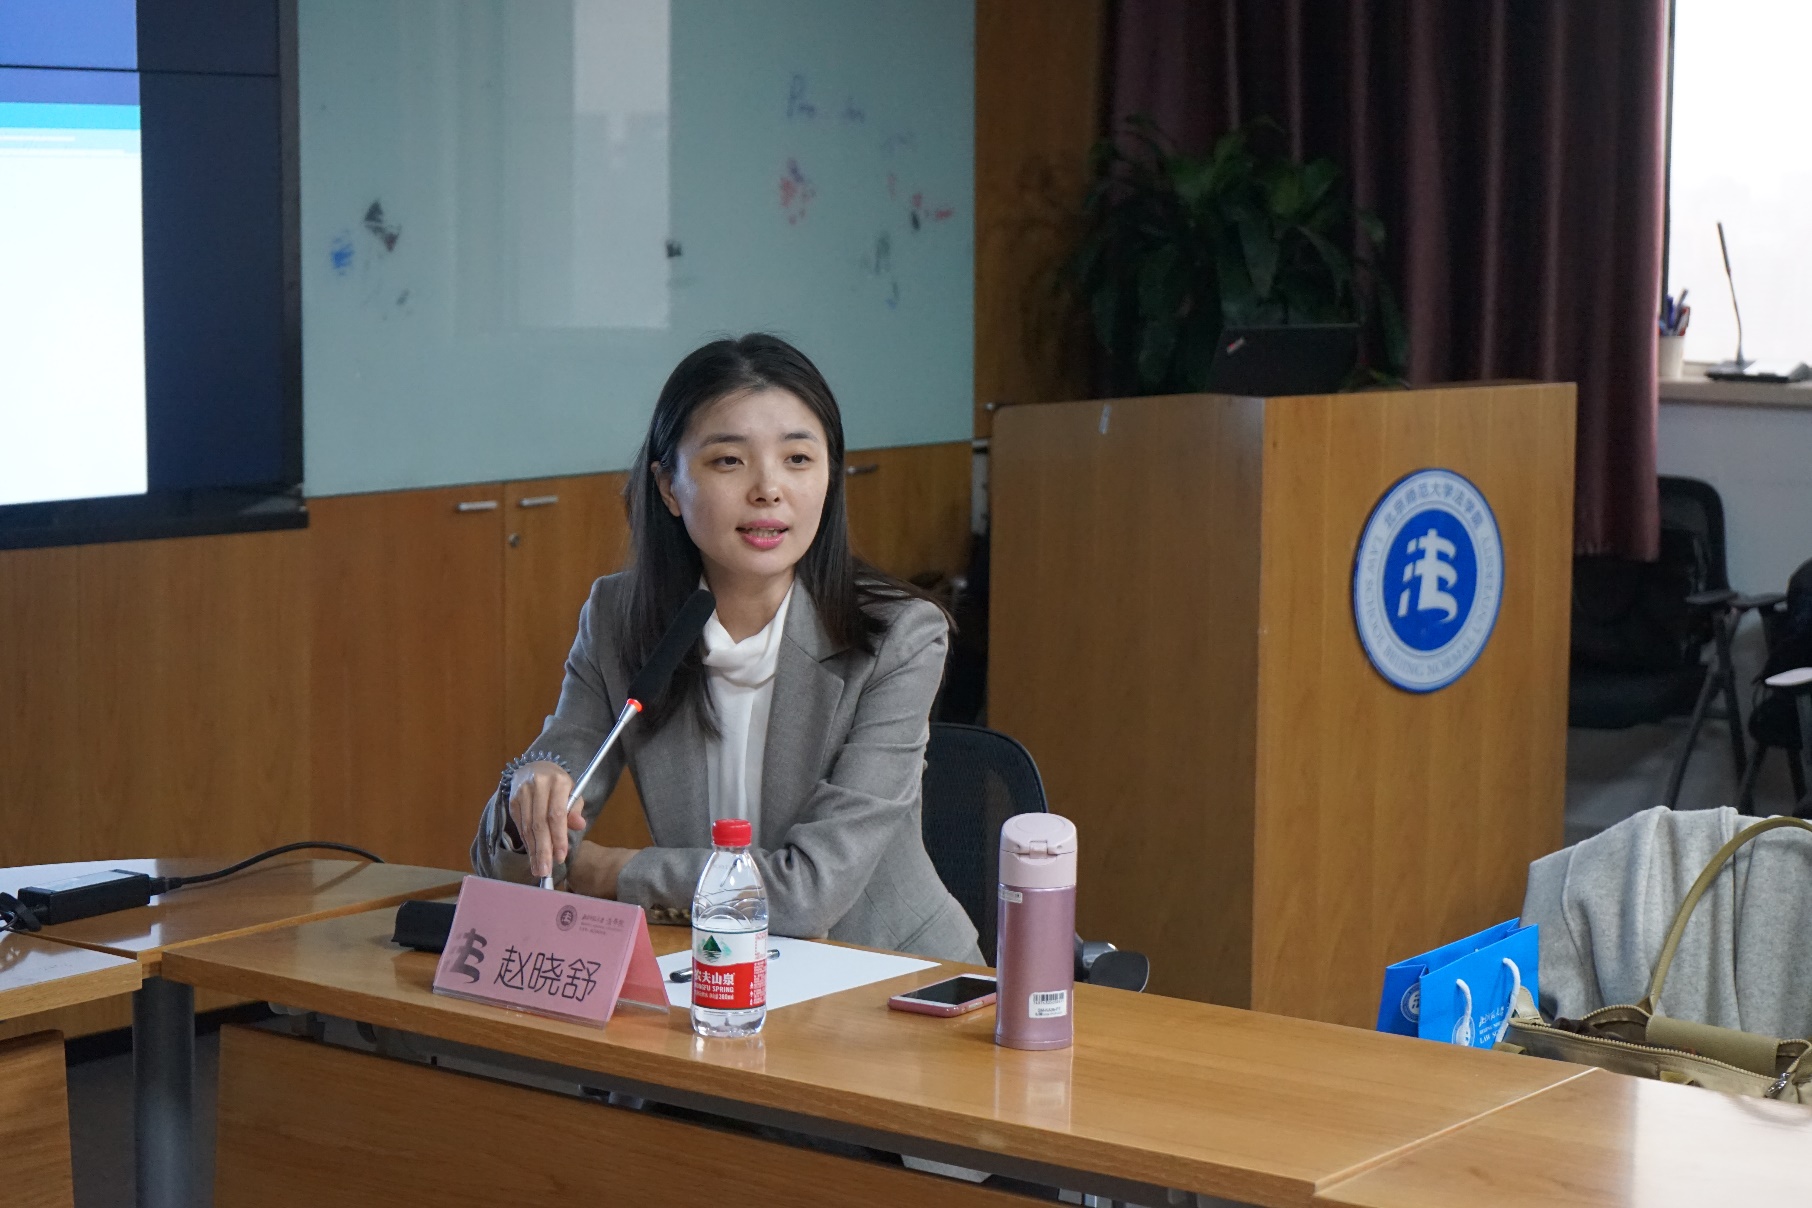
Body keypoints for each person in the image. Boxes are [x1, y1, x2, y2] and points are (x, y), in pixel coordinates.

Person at [471, 333, 981, 962]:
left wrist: (614, 873)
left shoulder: (898, 636)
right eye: (729, 461)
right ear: (668, 487)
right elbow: (518, 862)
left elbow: (807, 894)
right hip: (718, 966)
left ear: (829, 477)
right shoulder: (619, 620)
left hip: (889, 978)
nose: (768, 488)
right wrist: (528, 796)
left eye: (798, 458)